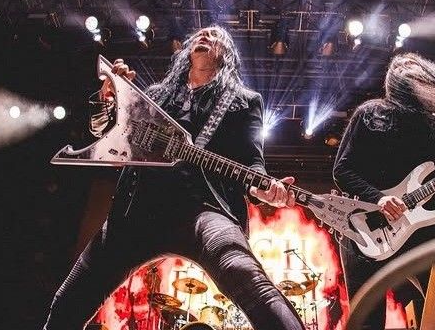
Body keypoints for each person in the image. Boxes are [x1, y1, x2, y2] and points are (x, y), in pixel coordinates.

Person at [43, 25, 305, 330]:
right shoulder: (155, 96)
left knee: (250, 281)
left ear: (226, 54)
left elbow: (252, 162)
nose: (205, 37)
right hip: (135, 212)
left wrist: (263, 190)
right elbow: (104, 133)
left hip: (204, 210)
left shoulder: (243, 100)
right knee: (67, 304)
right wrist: (109, 99)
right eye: (201, 34)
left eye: (215, 36)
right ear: (188, 51)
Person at [333, 52, 435, 329]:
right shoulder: (371, 114)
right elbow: (342, 170)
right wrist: (379, 199)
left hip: (422, 233)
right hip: (368, 228)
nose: (410, 72)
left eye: (417, 70)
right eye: (404, 70)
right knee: (367, 321)